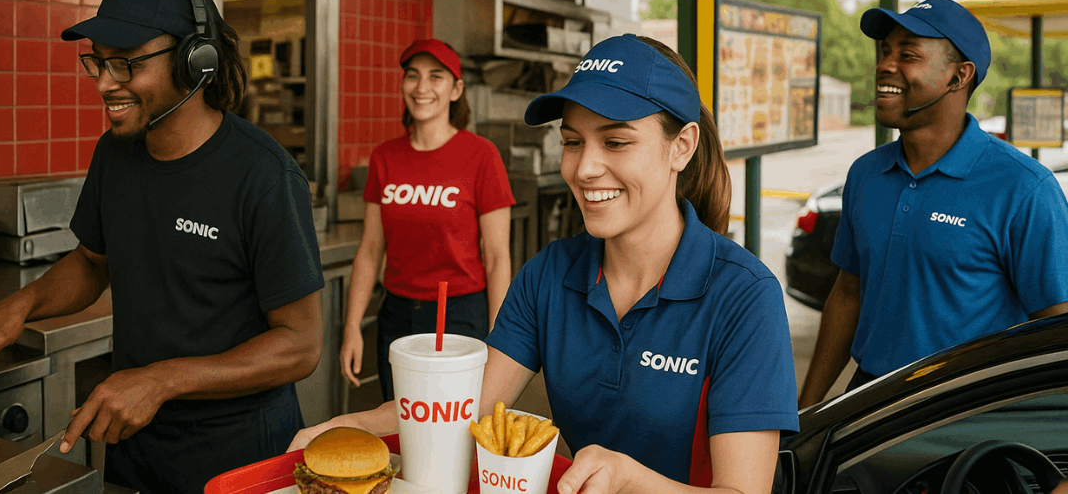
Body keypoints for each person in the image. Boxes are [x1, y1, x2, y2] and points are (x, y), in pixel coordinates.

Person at [300, 34, 799, 494]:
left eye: (615, 142)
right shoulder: (550, 275)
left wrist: (631, 480)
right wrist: (349, 427)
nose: (584, 169)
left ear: (681, 147)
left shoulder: (743, 296)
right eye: (572, 141)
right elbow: (461, 406)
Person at [0, 0, 326, 494]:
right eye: (99, 62)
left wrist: (161, 380)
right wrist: (23, 304)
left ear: (194, 60)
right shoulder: (115, 153)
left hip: (237, 454)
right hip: (135, 440)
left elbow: (300, 344)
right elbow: (92, 262)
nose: (106, 83)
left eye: (126, 63)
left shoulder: (263, 176)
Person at [799, 0, 1068, 408]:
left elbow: (1056, 330)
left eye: (908, 55)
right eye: (885, 51)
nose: (885, 65)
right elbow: (848, 293)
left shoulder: (1024, 188)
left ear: (959, 76)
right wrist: (805, 411)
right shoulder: (866, 175)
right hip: (868, 403)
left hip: (966, 415)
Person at [341, 39, 514, 401]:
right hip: (396, 313)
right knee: (400, 418)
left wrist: (500, 340)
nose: (422, 87)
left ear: (456, 90)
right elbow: (370, 251)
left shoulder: (481, 156)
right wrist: (352, 326)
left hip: (460, 314)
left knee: (456, 420)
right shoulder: (385, 157)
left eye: (436, 76)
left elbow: (497, 257)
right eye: (413, 75)